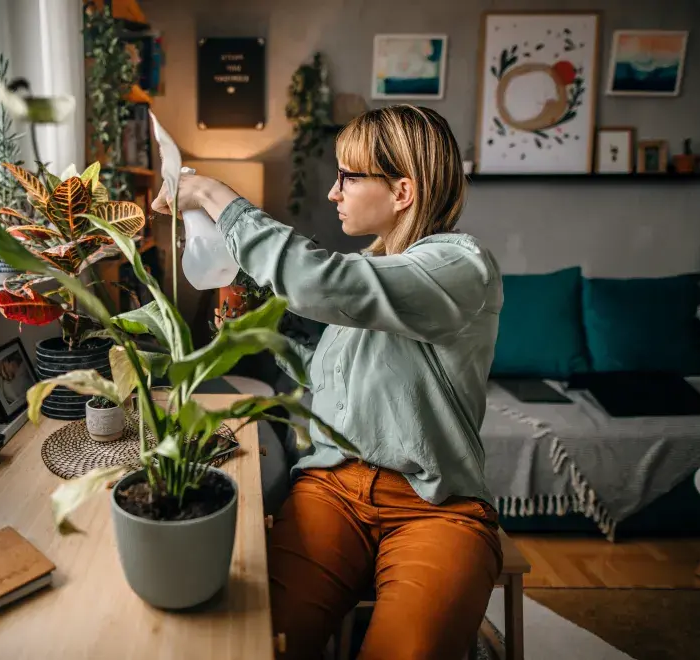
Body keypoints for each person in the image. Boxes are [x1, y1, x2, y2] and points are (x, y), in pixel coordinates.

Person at [152, 105, 503, 660]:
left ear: (403, 190)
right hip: (332, 491)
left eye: (348, 176)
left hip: (437, 506)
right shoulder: (373, 273)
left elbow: (321, 282)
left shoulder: (458, 266)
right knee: (256, 642)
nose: (334, 192)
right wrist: (258, 321)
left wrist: (215, 196)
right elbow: (330, 367)